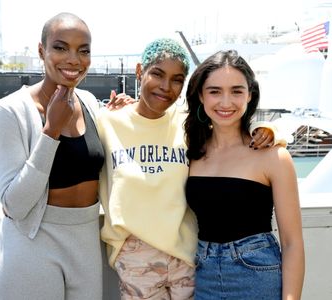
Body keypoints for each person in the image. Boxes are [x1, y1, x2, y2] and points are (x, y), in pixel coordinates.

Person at [97, 38, 280, 299]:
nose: (165, 86)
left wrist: (271, 130)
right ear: (140, 72)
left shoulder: (187, 125)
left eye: (177, 79)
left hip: (190, 255)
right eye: (157, 74)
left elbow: (230, 128)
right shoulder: (106, 122)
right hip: (136, 256)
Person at [0, 12, 109, 299]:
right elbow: (15, 206)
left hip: (85, 241)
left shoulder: (92, 103)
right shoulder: (10, 111)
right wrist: (51, 131)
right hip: (33, 244)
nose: (73, 59)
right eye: (60, 47)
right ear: (42, 50)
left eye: (83, 51)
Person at [184, 50, 305, 299]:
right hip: (202, 275)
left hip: (257, 275)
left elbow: (292, 242)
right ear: (200, 95)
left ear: (250, 95)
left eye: (237, 91)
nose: (226, 102)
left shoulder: (274, 156)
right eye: (215, 91)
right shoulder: (190, 151)